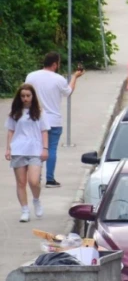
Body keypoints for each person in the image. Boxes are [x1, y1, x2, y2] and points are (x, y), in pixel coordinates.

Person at [24, 52, 83, 189]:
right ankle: (50, 179)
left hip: (35, 119)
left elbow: (25, 94)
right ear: (55, 64)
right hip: (53, 120)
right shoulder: (59, 79)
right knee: (51, 149)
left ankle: (36, 177)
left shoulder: (31, 76)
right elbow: (68, 92)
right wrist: (75, 77)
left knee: (37, 148)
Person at [6, 84, 48, 222]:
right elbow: (11, 131)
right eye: (23, 96)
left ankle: (36, 200)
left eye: (28, 96)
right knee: (21, 183)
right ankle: (24, 210)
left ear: (33, 97)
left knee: (34, 181)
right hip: (18, 149)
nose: (25, 99)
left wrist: (45, 149)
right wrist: (8, 148)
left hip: (35, 149)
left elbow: (44, 131)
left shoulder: (39, 112)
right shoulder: (14, 113)